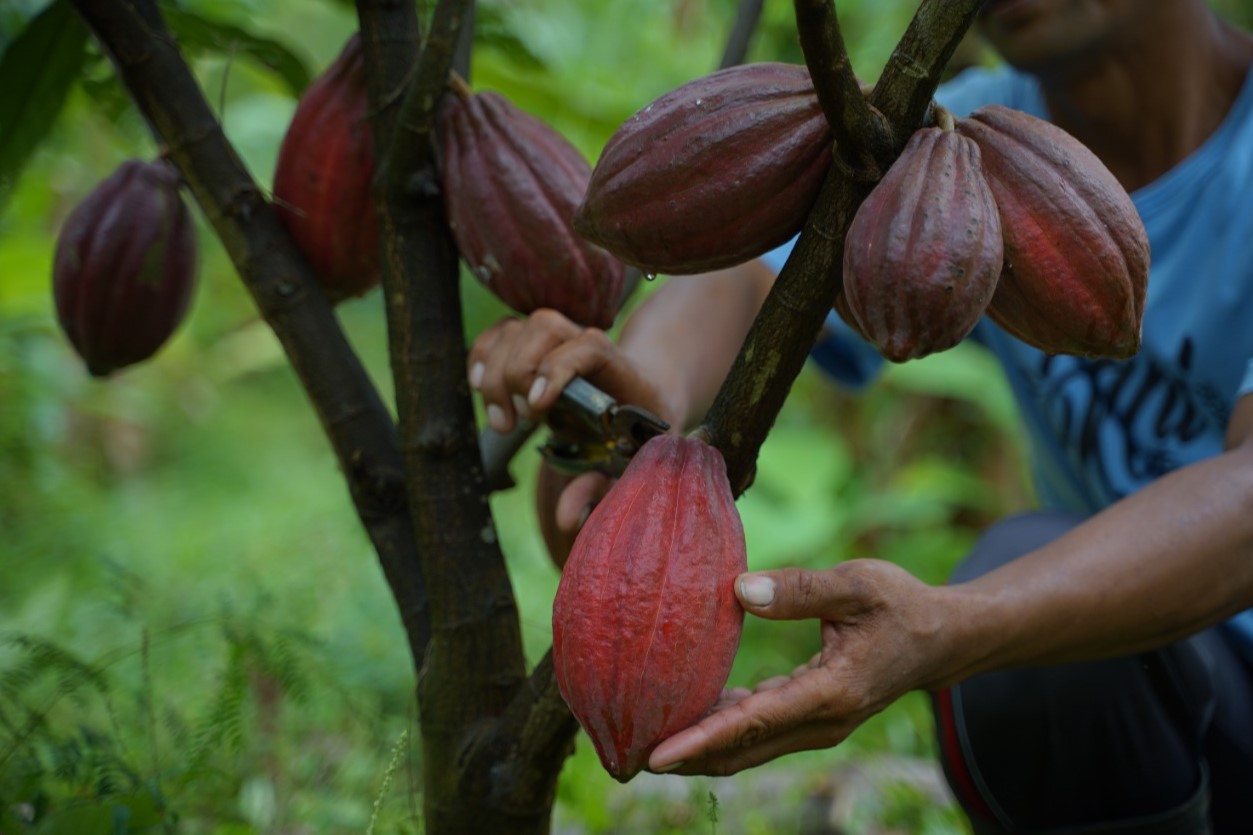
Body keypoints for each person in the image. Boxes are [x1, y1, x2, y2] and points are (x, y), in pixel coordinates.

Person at [467, 1, 1253, 831]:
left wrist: (959, 626)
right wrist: (645, 397)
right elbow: (747, 278)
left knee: (1022, 586)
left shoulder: (1010, 160)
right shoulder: (953, 140)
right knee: (1050, 658)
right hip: (1166, 684)